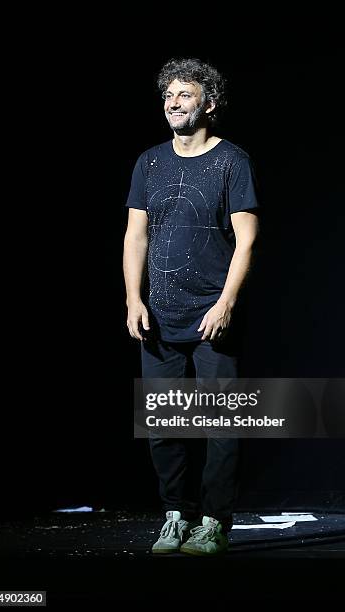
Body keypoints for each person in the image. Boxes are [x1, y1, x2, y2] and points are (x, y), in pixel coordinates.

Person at [123, 57, 259, 556]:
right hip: (158, 315)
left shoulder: (231, 161)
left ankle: (213, 523)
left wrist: (225, 304)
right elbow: (135, 236)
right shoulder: (149, 161)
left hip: (211, 314)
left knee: (221, 426)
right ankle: (175, 515)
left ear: (210, 103)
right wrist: (133, 298)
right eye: (168, 95)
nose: (172, 103)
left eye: (184, 94)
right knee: (164, 426)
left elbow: (246, 240)